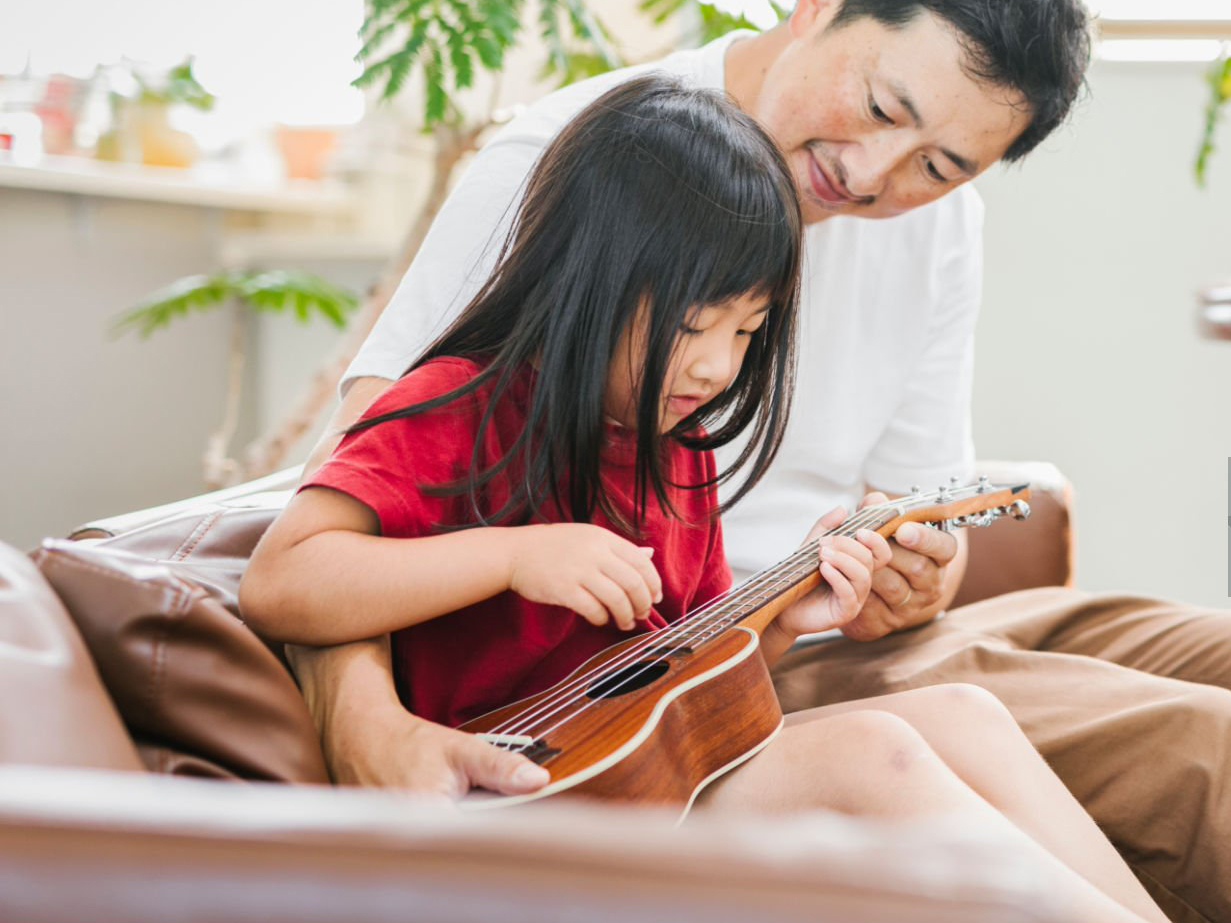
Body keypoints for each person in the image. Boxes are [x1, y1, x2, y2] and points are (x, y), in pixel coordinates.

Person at [288, 2, 1231, 920]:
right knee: (1201, 746)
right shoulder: (578, 169)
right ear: (814, 8)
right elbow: (338, 510)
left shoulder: (695, 444)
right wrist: (363, 720)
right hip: (615, 727)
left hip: (752, 648)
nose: (870, 176)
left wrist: (898, 584)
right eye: (879, 108)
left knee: (1185, 663)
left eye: (937, 166)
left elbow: (848, 547)